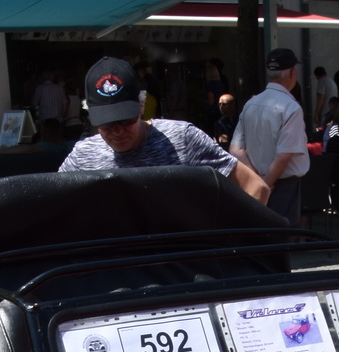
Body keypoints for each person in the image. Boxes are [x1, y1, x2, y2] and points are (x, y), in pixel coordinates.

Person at [63, 56, 268, 203]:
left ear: (142, 106)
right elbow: (55, 209)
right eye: (106, 124)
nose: (117, 131)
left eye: (126, 120)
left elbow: (256, 188)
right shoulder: (82, 156)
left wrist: (226, 250)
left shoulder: (183, 139)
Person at [232, 48, 310, 225]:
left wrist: (257, 181)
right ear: (292, 73)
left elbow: (236, 149)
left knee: (259, 239)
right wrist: (265, 185)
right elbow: (283, 156)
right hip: (282, 185)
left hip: (255, 182)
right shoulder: (291, 108)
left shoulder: (251, 104)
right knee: (281, 239)